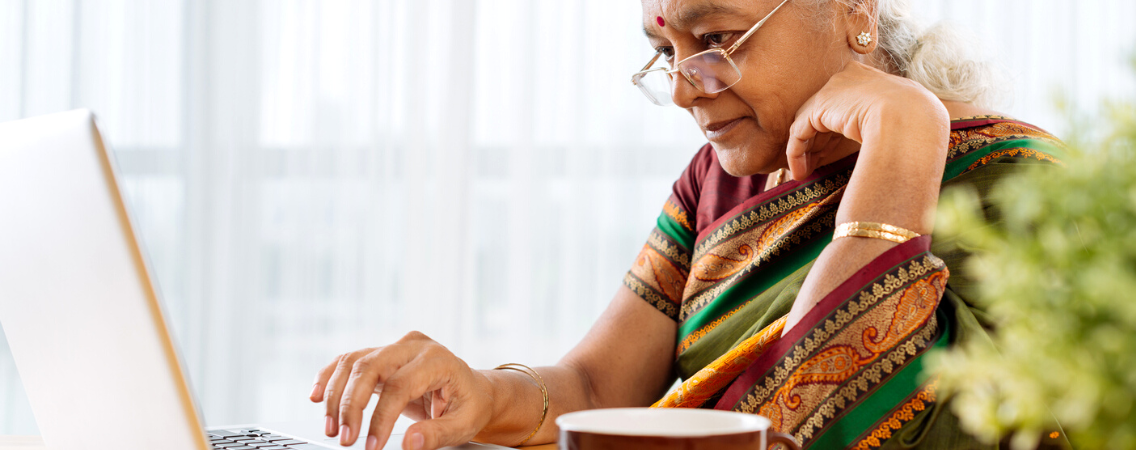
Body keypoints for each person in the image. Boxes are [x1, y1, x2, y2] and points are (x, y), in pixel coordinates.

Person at [309, 1, 1068, 449]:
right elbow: (600, 384)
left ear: (854, 13)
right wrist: (479, 392)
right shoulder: (726, 176)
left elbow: (813, 423)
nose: (681, 90)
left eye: (714, 41)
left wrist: (904, 134)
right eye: (663, 51)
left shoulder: (1019, 188)